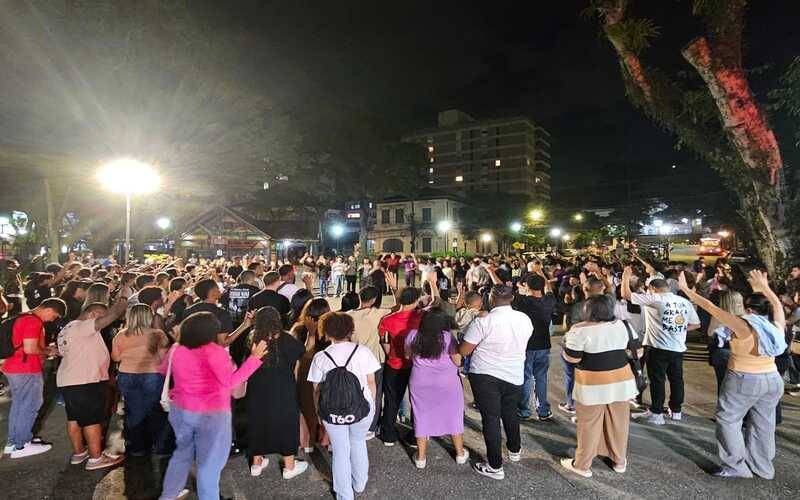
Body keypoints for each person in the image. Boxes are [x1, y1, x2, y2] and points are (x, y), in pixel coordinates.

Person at [678, 270, 785, 479]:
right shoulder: (774, 326)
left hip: (744, 378)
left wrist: (685, 290)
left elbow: (711, 307)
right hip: (772, 379)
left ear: (748, 308)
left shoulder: (744, 325)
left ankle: (736, 466)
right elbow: (778, 307)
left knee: (728, 420)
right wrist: (765, 288)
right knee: (764, 423)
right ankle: (763, 468)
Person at [158, 312, 268, 500]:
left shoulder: (177, 348)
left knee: (181, 454)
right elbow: (230, 382)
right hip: (211, 414)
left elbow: (162, 370)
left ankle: (168, 496)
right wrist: (254, 359)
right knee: (209, 464)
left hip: (181, 410)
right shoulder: (215, 352)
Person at [559, 295, 640, 478]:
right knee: (619, 423)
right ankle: (619, 461)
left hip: (592, 385)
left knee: (588, 425)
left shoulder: (578, 330)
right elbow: (638, 351)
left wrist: (565, 347)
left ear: (588, 311)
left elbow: (573, 358)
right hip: (622, 383)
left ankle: (582, 465)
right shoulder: (623, 325)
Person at [460, 285, 532, 480]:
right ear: (512, 298)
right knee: (510, 412)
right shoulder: (524, 319)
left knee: (490, 418)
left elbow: (465, 350)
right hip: (514, 374)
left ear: (490, 300)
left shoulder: (484, 321)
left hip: (485, 374)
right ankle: (514, 450)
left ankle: (494, 465)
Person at [56, 289, 131, 470]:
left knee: (74, 419)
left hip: (69, 380)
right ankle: (96, 458)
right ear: (93, 314)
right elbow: (114, 314)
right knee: (91, 420)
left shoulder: (67, 329)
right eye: (100, 318)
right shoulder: (83, 327)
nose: (102, 323)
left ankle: (79, 452)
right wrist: (124, 296)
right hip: (85, 380)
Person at [308, 312, 379, 500]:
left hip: (331, 412)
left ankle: (344, 494)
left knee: (340, 450)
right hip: (362, 409)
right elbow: (371, 383)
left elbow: (316, 390)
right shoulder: (362, 351)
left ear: (327, 333)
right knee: (358, 442)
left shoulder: (320, 357)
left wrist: (318, 414)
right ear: (350, 330)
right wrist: (370, 407)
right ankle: (360, 483)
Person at [622, 266, 700, 425]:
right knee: (677, 379)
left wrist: (625, 276)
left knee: (657, 380)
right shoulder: (684, 301)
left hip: (657, 347)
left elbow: (626, 295)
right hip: (678, 348)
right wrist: (677, 329)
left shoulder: (655, 299)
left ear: (652, 289)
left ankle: (657, 413)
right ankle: (676, 410)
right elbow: (696, 324)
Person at [246, 306, 307, 479]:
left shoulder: (252, 339)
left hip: (257, 388)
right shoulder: (287, 339)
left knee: (257, 421)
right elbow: (301, 354)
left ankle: (256, 463)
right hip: (282, 388)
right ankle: (289, 466)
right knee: (286, 423)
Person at [404, 308, 469, 468]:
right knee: (453, 414)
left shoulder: (413, 334)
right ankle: (460, 453)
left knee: (421, 415)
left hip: (420, 381)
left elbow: (407, 356)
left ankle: (421, 457)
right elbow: (457, 361)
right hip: (447, 382)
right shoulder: (447, 337)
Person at [2, 297, 65, 458]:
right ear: (49, 310)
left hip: (13, 366)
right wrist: (48, 351)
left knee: (19, 405)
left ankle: (14, 442)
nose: (53, 319)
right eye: (55, 316)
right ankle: (22, 445)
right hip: (25, 368)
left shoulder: (23, 316)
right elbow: (30, 349)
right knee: (29, 405)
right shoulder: (34, 321)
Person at [111, 304, 172, 457]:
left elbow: (116, 357)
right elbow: (164, 358)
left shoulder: (120, 335)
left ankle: (137, 447)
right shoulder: (158, 334)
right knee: (155, 410)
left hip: (127, 374)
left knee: (133, 410)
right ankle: (160, 446)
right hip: (152, 374)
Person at [377, 285, 421, 446]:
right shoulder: (422, 317)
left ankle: (388, 434)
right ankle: (417, 435)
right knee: (417, 400)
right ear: (416, 300)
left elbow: (384, 340)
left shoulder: (388, 320)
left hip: (395, 364)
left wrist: (390, 353)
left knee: (391, 399)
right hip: (418, 365)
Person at [347, 285, 391, 437]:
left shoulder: (348, 315)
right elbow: (400, 306)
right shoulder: (377, 313)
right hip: (375, 359)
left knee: (355, 392)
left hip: (354, 360)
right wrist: (392, 286)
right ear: (373, 300)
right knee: (375, 393)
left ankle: (354, 421)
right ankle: (371, 426)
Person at [292, 298, 332, 452]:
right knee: (319, 404)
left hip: (305, 372)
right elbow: (305, 354)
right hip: (320, 371)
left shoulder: (299, 328)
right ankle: (320, 438)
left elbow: (300, 355)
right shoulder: (326, 329)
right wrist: (312, 334)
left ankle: (309, 439)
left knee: (308, 406)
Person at [707, 290, 746, 392]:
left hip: (722, 351)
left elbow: (710, 333)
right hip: (741, 353)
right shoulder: (746, 317)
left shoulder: (718, 316)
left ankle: (724, 406)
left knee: (723, 384)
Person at [182, 278, 234, 345]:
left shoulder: (187, 311)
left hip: (191, 352)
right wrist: (244, 325)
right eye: (218, 288)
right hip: (212, 354)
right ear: (213, 292)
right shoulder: (222, 314)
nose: (220, 290)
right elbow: (222, 342)